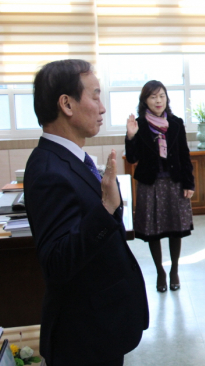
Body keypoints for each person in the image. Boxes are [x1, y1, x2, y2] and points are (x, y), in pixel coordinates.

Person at [25, 59, 149, 366]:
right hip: (81, 335)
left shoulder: (72, 157)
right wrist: (106, 209)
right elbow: (56, 262)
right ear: (66, 104)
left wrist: (110, 208)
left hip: (101, 324)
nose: (102, 108)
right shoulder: (48, 169)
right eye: (95, 96)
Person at [125, 80, 195, 292]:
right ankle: (160, 271)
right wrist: (130, 136)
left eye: (162, 96)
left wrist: (189, 183)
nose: (158, 100)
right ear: (145, 100)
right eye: (153, 96)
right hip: (150, 185)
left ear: (167, 98)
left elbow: (184, 155)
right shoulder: (139, 124)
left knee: (176, 229)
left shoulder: (176, 123)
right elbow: (132, 158)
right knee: (153, 231)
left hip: (175, 182)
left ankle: (174, 270)